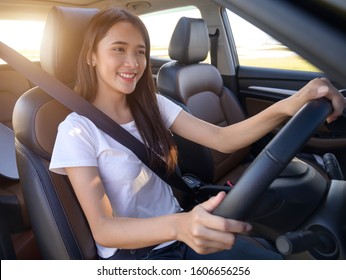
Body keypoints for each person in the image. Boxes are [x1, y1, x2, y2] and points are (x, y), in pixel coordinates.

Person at [49, 7, 346, 260]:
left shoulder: (150, 103)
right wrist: (179, 226)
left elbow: (222, 139)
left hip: (186, 232)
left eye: (140, 52)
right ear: (91, 57)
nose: (133, 63)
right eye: (118, 49)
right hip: (141, 255)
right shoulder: (77, 130)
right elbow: (104, 229)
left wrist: (290, 104)